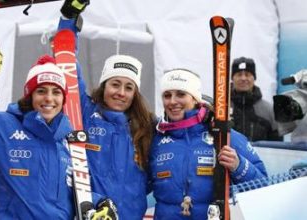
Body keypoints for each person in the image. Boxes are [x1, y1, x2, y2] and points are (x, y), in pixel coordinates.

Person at [0, 45, 115, 219]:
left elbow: (68, 194)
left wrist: (100, 203)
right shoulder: (2, 126)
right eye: (41, 91)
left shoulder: (69, 140)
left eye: (56, 92)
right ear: (30, 95)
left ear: (63, 98)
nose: (49, 98)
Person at [57, 2, 155, 219]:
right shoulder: (85, 110)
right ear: (104, 85)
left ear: (135, 93)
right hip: (92, 214)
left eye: (128, 87)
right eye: (115, 84)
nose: (121, 92)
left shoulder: (145, 126)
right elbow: (67, 63)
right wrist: (68, 20)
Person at [149, 68, 268, 219]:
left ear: (195, 98)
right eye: (167, 95)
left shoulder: (222, 133)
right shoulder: (157, 138)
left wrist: (239, 166)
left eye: (180, 94)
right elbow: (137, 186)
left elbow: (263, 184)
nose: (172, 101)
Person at [230, 56, 282, 141]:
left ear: (254, 78)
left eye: (247, 74)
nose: (243, 78)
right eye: (239, 75)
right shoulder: (221, 108)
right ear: (232, 78)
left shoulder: (269, 111)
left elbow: (277, 147)